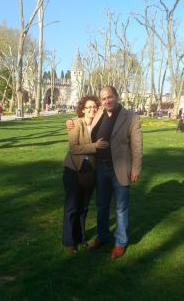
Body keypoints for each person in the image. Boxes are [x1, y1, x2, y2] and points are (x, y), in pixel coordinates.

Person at [67, 86, 143, 259]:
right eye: (103, 98)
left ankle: (120, 243)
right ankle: (103, 236)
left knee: (121, 208)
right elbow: (82, 119)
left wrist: (136, 169)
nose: (107, 101)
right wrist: (69, 122)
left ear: (116, 96)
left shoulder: (131, 117)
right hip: (100, 168)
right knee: (101, 205)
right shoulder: (99, 113)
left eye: (110, 97)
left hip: (120, 169)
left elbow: (137, 146)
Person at [62, 96, 109, 253]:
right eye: (88, 107)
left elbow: (106, 108)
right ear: (82, 109)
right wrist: (94, 146)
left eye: (95, 107)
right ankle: (69, 241)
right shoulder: (75, 123)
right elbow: (74, 148)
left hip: (91, 170)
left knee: (84, 207)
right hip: (73, 169)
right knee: (72, 206)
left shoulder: (98, 124)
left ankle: (81, 238)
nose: (92, 110)